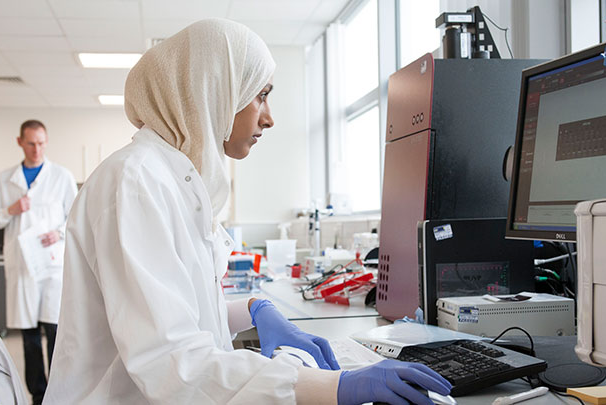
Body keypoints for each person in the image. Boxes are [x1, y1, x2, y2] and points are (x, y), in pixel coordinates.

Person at [44, 19, 451, 405]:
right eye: (260, 94)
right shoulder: (135, 182)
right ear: (214, 90)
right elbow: (172, 363)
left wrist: (252, 308)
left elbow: (170, 312)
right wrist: (334, 386)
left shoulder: (171, 180)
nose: (269, 117)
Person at [0, 119, 78, 405]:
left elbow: (74, 218)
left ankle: (58, 392)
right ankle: (38, 394)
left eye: (41, 143)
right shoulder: (4, 180)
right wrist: (10, 210)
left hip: (51, 266)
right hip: (22, 266)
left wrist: (58, 232)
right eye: (31, 143)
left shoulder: (61, 177)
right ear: (20, 142)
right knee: (28, 334)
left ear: (46, 142)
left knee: (54, 330)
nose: (36, 149)